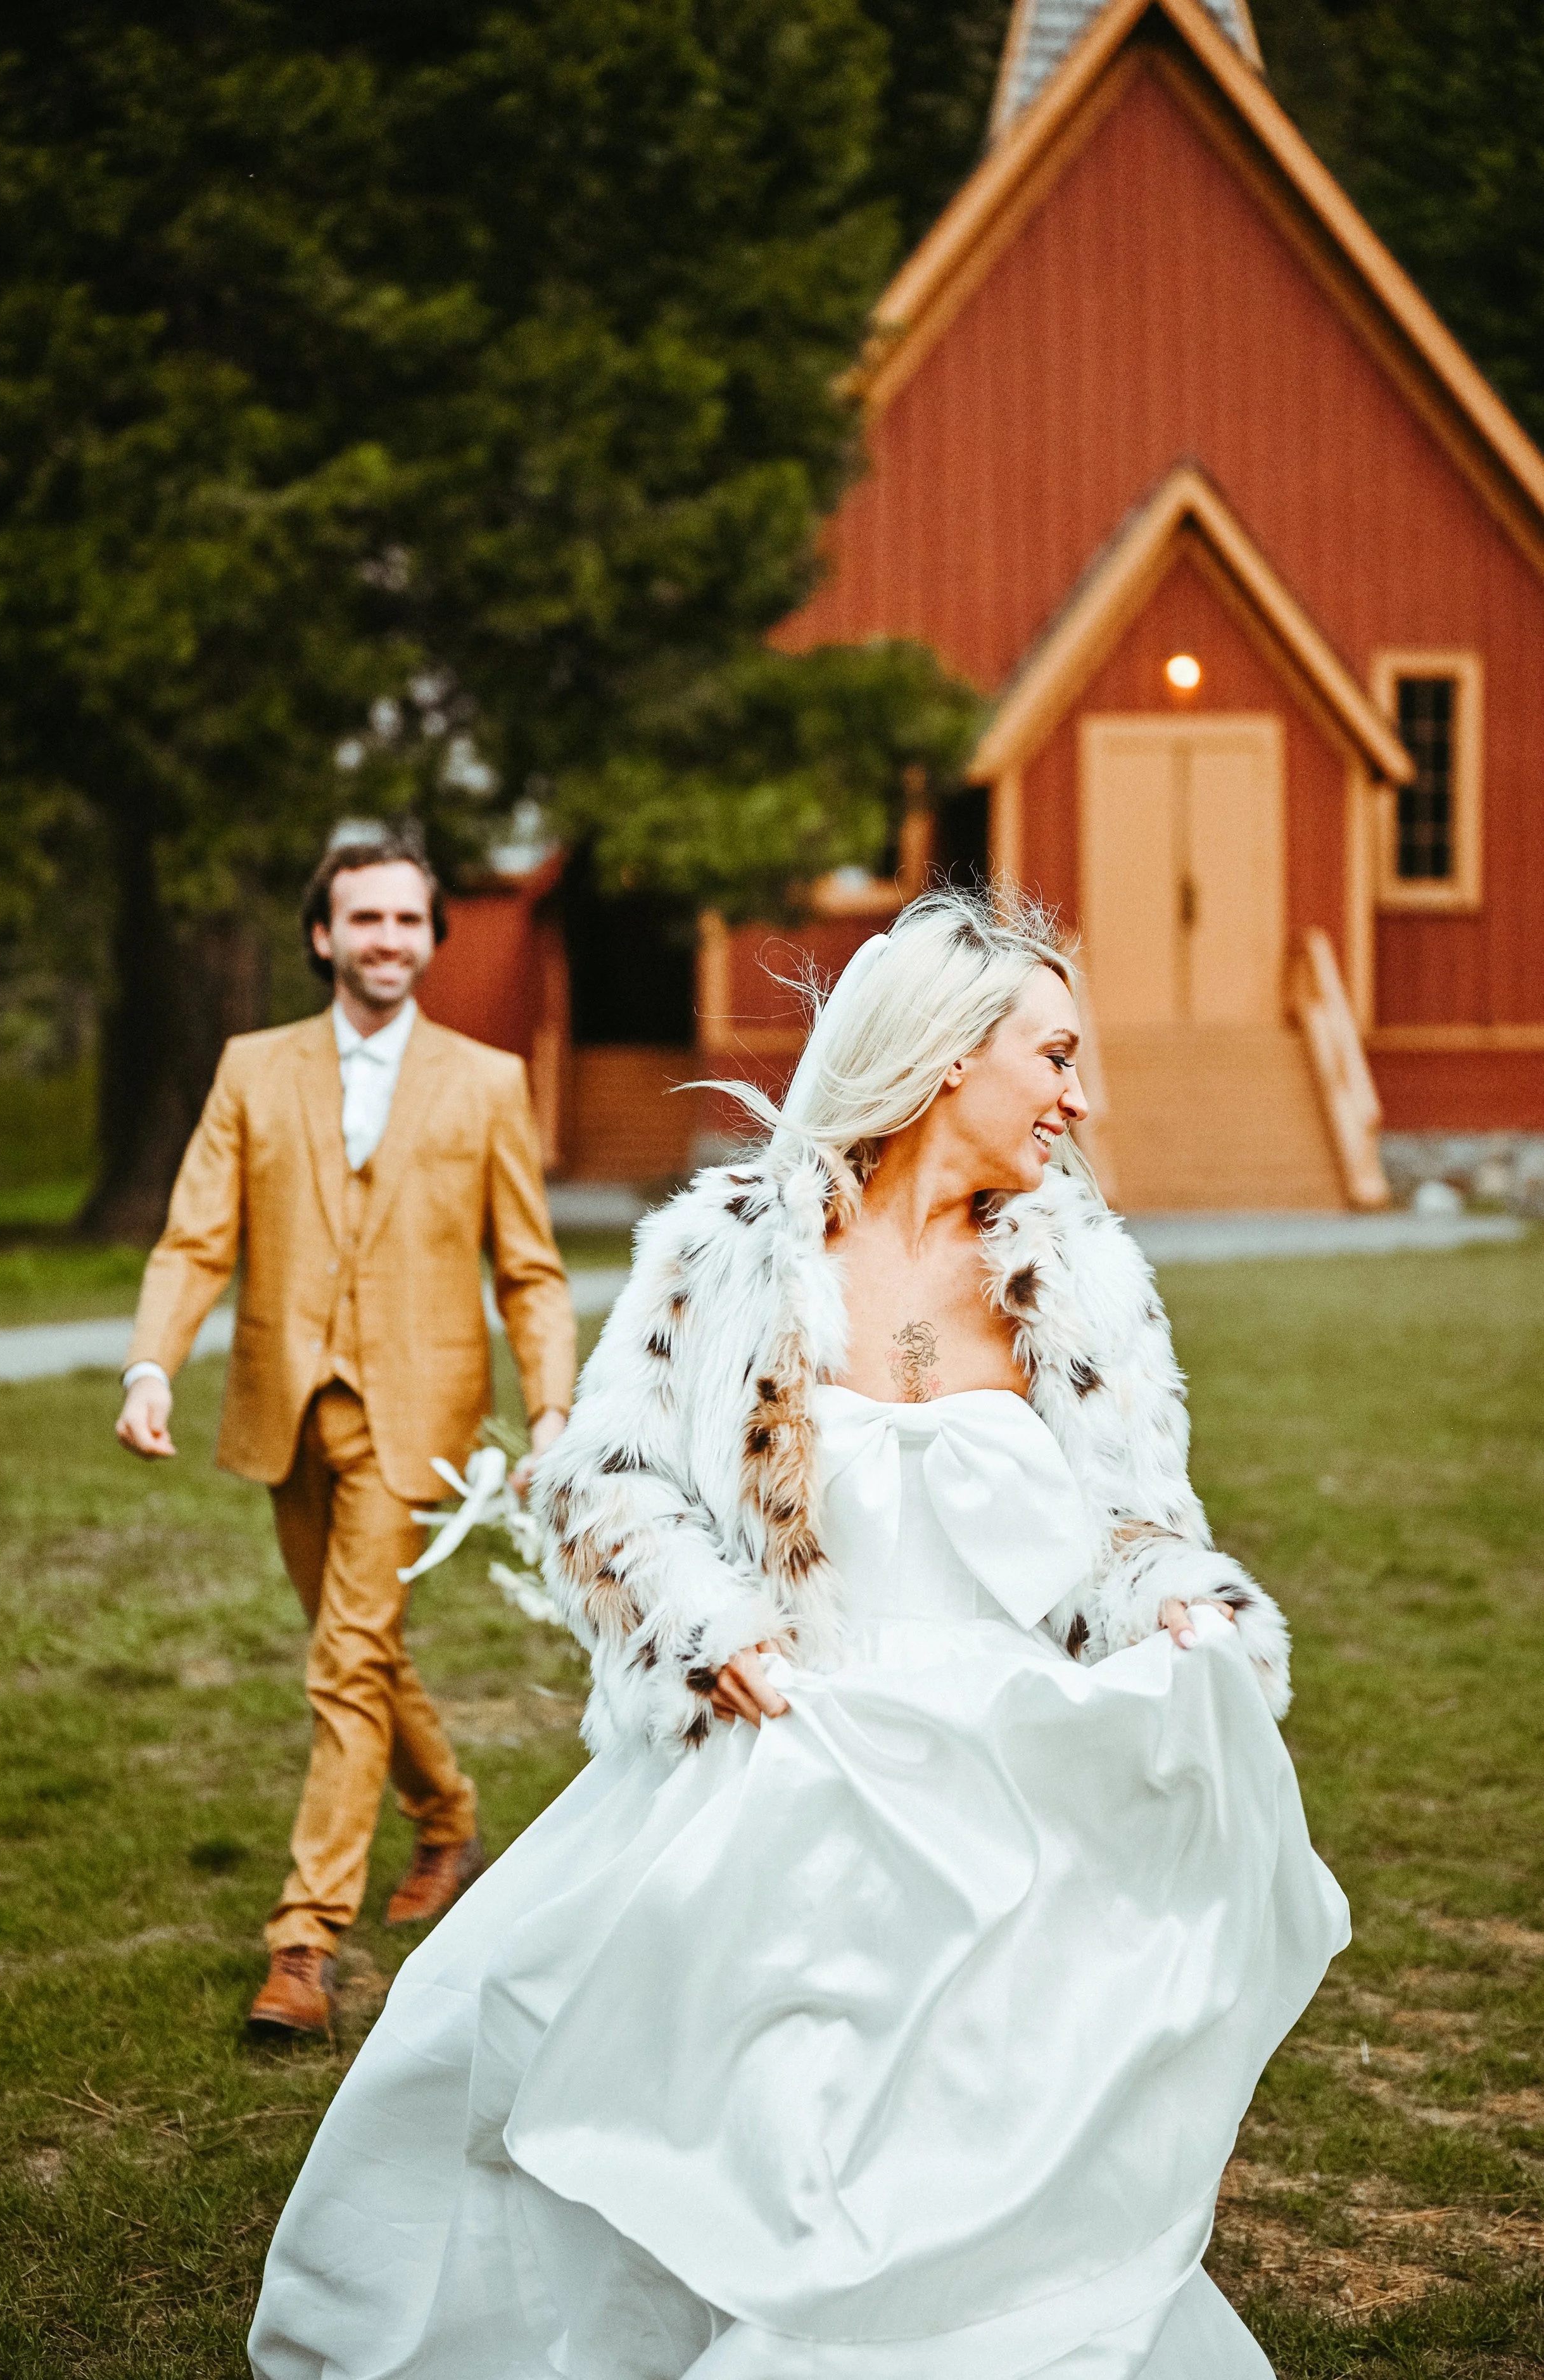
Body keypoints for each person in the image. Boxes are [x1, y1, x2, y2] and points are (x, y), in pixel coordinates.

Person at [248, 888, 1348, 2377]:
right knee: (669, 2087)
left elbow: (1128, 1527)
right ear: (952, 1056)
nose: (1080, 1097)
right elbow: (604, 1480)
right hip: (782, 1739)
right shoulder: (727, 1252)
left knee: (962, 2131)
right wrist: (711, 1627)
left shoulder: (1077, 1277)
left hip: (999, 1769)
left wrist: (1181, 1605)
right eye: (1056, 1056)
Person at [116, 821, 576, 2038]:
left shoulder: (484, 1082)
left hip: (414, 1407)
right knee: (355, 1642)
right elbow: (196, 1238)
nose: (388, 937)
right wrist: (151, 1366)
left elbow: (530, 1270)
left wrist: (555, 1411)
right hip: (287, 1400)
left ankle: (303, 1940)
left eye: (408, 918)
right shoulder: (251, 1069)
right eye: (364, 917)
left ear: (431, 937)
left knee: (342, 1659)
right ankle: (449, 1817)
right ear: (324, 936)